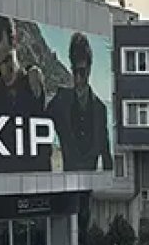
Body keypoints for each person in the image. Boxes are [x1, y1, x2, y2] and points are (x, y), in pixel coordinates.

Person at [0, 13, 50, 172]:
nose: (4, 72)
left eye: (7, 61)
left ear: (15, 41)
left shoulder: (32, 83)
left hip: (33, 184)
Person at [47, 32, 113, 172]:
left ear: (89, 69)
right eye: (75, 71)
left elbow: (107, 157)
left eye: (82, 72)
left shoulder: (100, 109)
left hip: (91, 189)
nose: (78, 79)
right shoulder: (60, 101)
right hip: (67, 187)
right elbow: (36, 118)